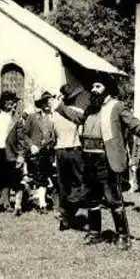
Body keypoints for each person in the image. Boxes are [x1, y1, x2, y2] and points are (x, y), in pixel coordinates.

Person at [52, 73, 140, 250]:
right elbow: (77, 118)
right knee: (91, 198)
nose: (94, 89)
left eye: (98, 87)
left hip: (106, 159)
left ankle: (123, 235)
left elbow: (133, 123)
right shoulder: (90, 108)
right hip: (88, 158)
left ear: (106, 89)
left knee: (113, 198)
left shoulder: (117, 106)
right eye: (93, 87)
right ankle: (95, 233)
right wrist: (60, 107)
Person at [0, 91, 26, 215]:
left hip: (11, 152)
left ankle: (7, 203)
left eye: (12, 101)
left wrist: (21, 155)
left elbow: (21, 139)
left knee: (9, 178)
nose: (11, 103)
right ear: (2, 102)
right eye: (8, 100)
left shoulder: (17, 118)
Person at [51, 84, 86, 230]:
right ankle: (68, 211)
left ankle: (64, 212)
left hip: (60, 150)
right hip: (74, 149)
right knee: (79, 183)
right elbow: (82, 133)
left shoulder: (55, 113)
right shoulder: (78, 112)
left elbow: (53, 134)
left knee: (63, 184)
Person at [24, 91, 57, 215]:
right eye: (45, 102)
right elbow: (24, 134)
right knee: (40, 177)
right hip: (36, 152)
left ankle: (46, 200)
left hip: (51, 152)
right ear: (41, 104)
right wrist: (31, 145)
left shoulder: (55, 117)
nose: (48, 105)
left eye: (49, 101)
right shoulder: (32, 117)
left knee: (50, 177)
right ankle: (42, 203)